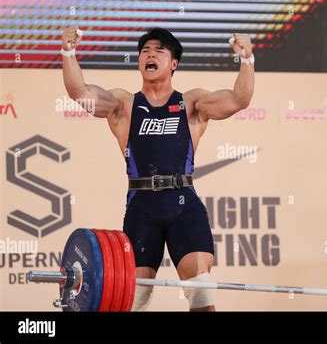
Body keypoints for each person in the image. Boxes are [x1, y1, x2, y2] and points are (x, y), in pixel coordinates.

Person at [61, 27, 255, 311]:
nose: (150, 54)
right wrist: (68, 52)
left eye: (159, 50)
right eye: (145, 51)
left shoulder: (192, 103)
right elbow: (80, 92)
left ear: (174, 63)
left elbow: (240, 99)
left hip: (184, 207)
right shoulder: (124, 105)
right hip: (142, 209)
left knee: (201, 292)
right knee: (136, 298)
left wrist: (247, 59)